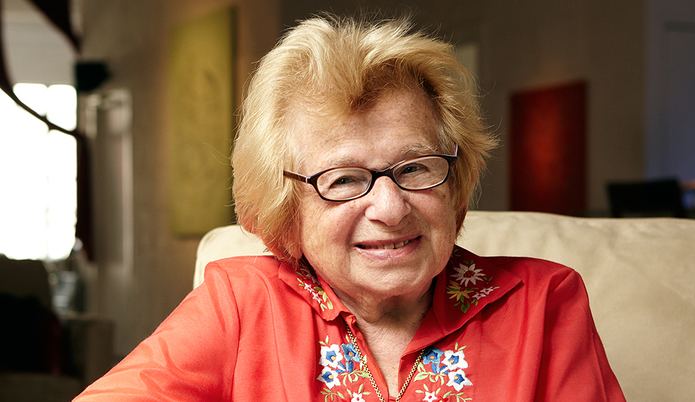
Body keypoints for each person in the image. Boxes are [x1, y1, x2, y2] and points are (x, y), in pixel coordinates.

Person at [76, 15, 625, 401]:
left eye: (415, 168)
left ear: (455, 181)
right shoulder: (241, 305)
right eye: (344, 179)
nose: (389, 206)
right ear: (285, 204)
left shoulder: (545, 304)